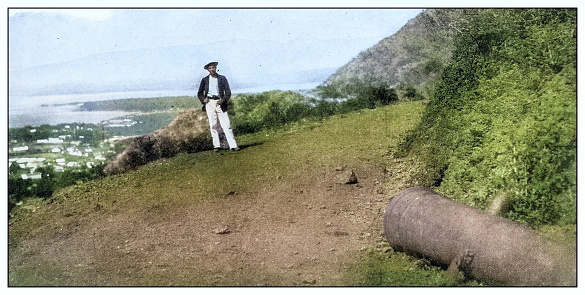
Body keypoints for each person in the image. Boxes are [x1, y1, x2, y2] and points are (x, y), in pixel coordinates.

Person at [197, 61, 240, 152]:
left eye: (213, 67)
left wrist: (223, 100)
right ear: (208, 70)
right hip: (210, 103)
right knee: (213, 125)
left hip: (220, 103)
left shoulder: (222, 78)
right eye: (210, 68)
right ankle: (216, 146)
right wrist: (204, 99)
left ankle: (233, 145)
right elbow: (200, 93)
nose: (212, 69)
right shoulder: (205, 80)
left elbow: (228, 92)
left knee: (226, 124)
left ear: (216, 68)